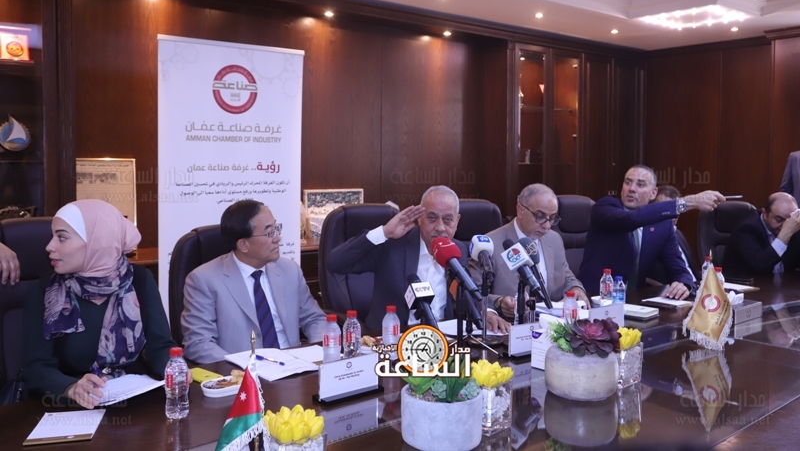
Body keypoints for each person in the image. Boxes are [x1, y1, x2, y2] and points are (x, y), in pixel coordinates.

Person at [23, 200, 175, 409]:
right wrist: (70, 388)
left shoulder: (139, 280)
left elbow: (160, 346)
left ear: (98, 241)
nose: (49, 246)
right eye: (52, 236)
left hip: (134, 399)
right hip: (71, 407)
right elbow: (36, 367)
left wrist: (174, 369)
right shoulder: (44, 290)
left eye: (62, 237)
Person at [327, 185, 509, 333]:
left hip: (443, 339)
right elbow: (336, 263)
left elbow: (466, 291)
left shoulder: (458, 250)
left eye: (448, 220)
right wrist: (384, 232)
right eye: (432, 218)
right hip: (393, 340)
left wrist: (487, 311)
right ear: (420, 218)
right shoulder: (393, 245)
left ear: (457, 221)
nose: (440, 227)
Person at [182, 200, 327, 363]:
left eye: (277, 228)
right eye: (269, 233)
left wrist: (319, 354)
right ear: (243, 245)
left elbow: (315, 319)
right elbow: (199, 343)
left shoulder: (289, 270)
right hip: (242, 371)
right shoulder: (204, 280)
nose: (278, 238)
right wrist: (244, 367)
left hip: (294, 367)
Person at [578, 165, 724, 299]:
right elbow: (631, 219)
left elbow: (679, 269)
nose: (631, 188)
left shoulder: (662, 225)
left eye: (640, 185)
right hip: (596, 300)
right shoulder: (604, 208)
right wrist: (687, 202)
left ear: (653, 193)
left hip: (637, 303)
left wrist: (683, 284)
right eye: (627, 182)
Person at [469, 183, 588, 319]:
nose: (547, 226)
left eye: (552, 218)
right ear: (520, 210)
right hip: (510, 324)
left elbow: (566, 276)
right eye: (540, 216)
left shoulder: (554, 239)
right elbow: (473, 293)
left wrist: (576, 289)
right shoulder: (489, 244)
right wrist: (498, 302)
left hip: (551, 322)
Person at [722, 192, 800, 279]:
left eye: (790, 220)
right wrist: (785, 234)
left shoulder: (795, 226)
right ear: (765, 214)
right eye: (779, 219)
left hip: (784, 285)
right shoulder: (746, 229)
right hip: (747, 285)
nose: (785, 225)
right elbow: (761, 266)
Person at [651, 185, 700, 281]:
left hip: (694, 285)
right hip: (672, 288)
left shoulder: (678, 234)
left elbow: (692, 271)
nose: (673, 215)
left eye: (676, 209)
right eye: (666, 209)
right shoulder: (649, 239)